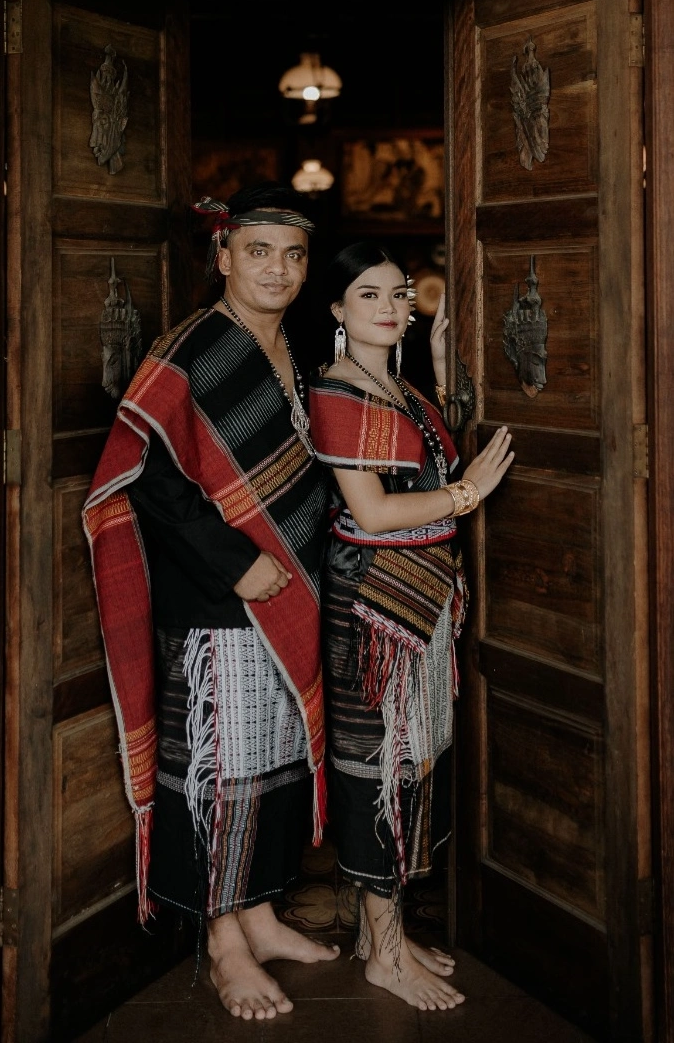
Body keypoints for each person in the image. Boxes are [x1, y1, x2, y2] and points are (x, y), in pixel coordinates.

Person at [81, 182, 340, 1022]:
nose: (276, 269)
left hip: (287, 583)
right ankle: (222, 937)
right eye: (258, 251)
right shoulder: (192, 348)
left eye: (292, 255)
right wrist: (236, 565)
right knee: (221, 767)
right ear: (223, 256)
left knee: (274, 758)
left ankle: (259, 913)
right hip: (216, 596)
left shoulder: (291, 343)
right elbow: (147, 479)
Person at [307, 241, 514, 1012]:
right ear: (337, 309)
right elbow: (372, 510)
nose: (391, 307)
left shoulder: (398, 388)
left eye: (399, 294)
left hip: (420, 600)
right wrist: (465, 495)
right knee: (376, 766)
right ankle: (386, 956)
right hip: (372, 605)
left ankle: (377, 936)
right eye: (369, 294)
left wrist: (436, 363)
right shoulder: (336, 392)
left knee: (413, 760)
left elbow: (425, 457)